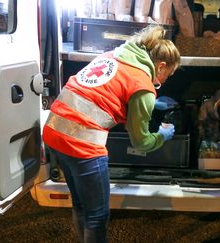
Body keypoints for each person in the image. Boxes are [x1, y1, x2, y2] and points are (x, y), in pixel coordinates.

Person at [42, 25, 180, 243]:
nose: (164, 80)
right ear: (161, 65)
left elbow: (105, 95)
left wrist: (151, 104)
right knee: (97, 216)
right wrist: (162, 136)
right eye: (168, 74)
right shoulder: (143, 85)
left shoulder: (112, 56)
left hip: (53, 131)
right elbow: (140, 141)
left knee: (80, 203)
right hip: (82, 144)